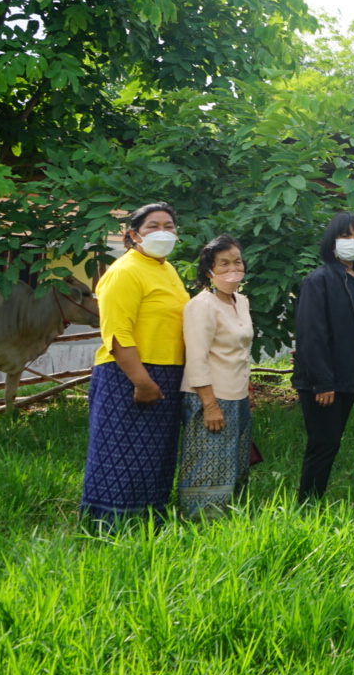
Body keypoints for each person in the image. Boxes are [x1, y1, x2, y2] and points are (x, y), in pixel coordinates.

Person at [80, 202, 188, 525]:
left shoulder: (166, 269)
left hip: (166, 375)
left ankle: (148, 523)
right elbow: (116, 334)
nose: (163, 232)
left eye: (169, 226)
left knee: (155, 457)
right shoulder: (125, 271)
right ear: (132, 235)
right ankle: (108, 527)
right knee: (118, 455)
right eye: (153, 226)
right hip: (128, 375)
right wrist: (141, 381)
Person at [292, 213, 354, 502]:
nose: (352, 242)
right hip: (322, 380)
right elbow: (310, 334)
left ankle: (314, 500)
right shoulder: (318, 280)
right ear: (332, 241)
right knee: (322, 443)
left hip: (346, 378)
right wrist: (322, 382)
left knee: (331, 442)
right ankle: (307, 505)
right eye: (345, 236)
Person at [177, 235, 254, 518]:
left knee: (233, 461)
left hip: (238, 396)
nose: (233, 268)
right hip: (210, 397)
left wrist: (247, 389)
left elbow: (240, 350)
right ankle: (200, 522)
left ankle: (230, 516)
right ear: (209, 270)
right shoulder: (202, 305)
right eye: (223, 264)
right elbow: (196, 358)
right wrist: (210, 405)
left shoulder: (240, 301)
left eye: (237, 261)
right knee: (207, 461)